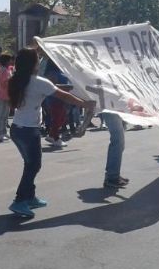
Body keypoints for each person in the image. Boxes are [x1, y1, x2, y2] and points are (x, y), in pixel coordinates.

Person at [7, 48, 94, 218]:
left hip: (18, 129)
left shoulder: (18, 80)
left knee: (30, 163)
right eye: (38, 59)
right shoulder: (39, 82)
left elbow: (53, 88)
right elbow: (64, 96)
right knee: (34, 165)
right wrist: (85, 104)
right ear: (33, 64)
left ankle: (30, 197)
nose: (40, 61)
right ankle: (19, 201)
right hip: (28, 131)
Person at [0, 54, 13, 142]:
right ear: (6, 61)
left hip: (6, 95)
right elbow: (4, 83)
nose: (11, 61)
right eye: (9, 60)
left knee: (5, 115)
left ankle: (4, 131)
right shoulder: (3, 70)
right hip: (3, 95)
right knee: (2, 115)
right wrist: (11, 80)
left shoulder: (6, 69)